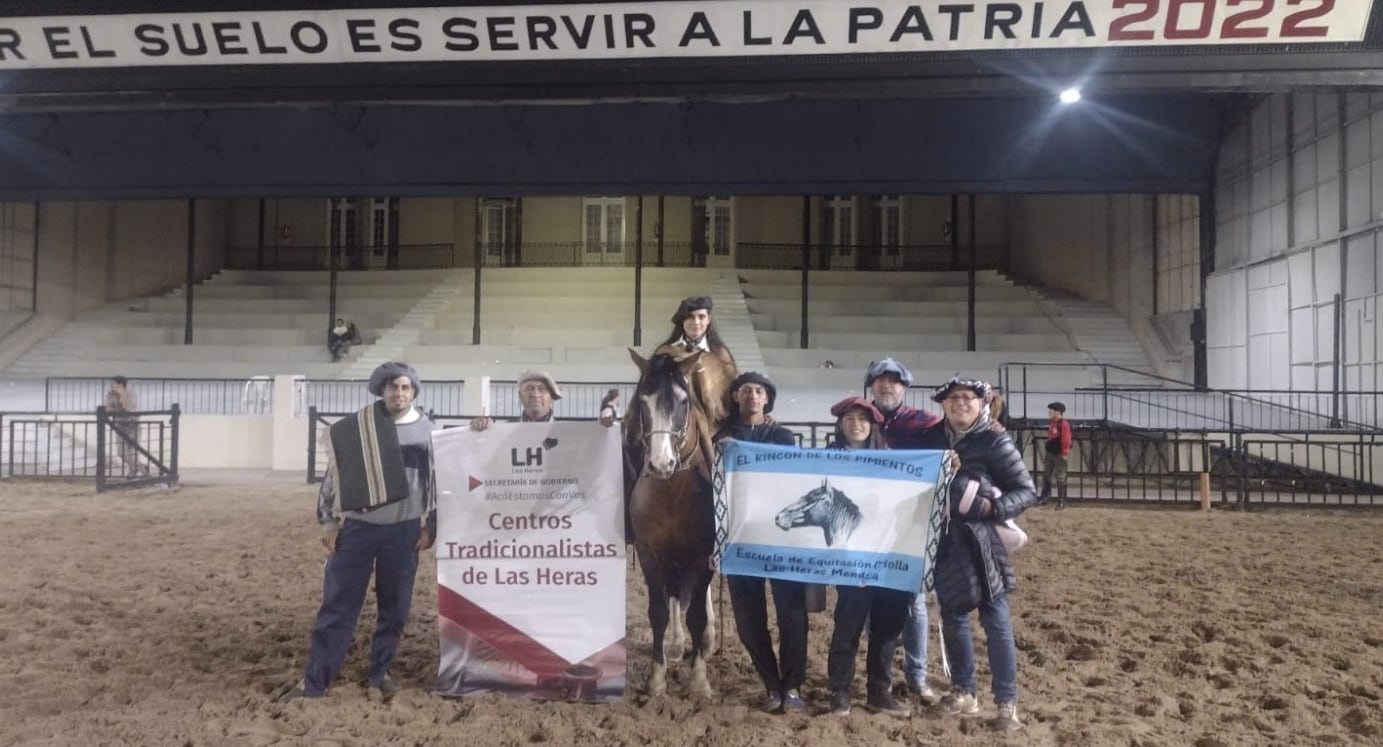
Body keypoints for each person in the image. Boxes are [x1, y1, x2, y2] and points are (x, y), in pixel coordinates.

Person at [277, 362, 437, 703]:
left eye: (406, 387)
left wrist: (432, 524)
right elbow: (333, 478)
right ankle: (315, 680)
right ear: (382, 390)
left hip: (404, 531)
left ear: (414, 392)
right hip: (358, 529)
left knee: (394, 607)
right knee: (337, 605)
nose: (399, 393)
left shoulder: (428, 433)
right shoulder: (357, 429)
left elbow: (437, 482)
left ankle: (380, 672)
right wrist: (329, 522)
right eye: (393, 387)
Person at [916, 375, 1038, 732]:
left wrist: (990, 509)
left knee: (996, 620)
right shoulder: (931, 438)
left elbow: (1026, 490)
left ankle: (1006, 701)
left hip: (984, 542)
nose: (960, 403)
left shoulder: (995, 442)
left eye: (968, 398)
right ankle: (964, 691)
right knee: (953, 618)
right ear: (943, 404)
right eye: (953, 398)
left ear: (982, 403)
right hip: (945, 540)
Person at [715, 372, 807, 713]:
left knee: (792, 614)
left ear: (767, 399)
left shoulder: (783, 436)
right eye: (746, 391)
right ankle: (771, 683)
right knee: (748, 619)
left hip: (781, 539)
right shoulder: (722, 436)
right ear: (737, 398)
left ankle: (793, 684)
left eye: (758, 391)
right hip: (740, 538)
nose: (752, 395)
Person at [823, 396, 911, 718]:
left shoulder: (892, 460)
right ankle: (840, 691)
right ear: (840, 424)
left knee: (887, 627)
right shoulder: (826, 460)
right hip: (851, 559)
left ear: (873, 424)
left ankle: (879, 691)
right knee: (848, 625)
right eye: (849, 418)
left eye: (862, 418)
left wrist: (946, 465)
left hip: (889, 555)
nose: (855, 424)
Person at [863, 357, 941, 705]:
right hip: (869, 525)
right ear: (872, 387)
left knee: (914, 601)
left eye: (894, 382)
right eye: (881, 381)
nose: (887, 387)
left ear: (904, 388)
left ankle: (917, 675)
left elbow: (955, 439)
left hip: (911, 522)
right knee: (872, 599)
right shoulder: (860, 421)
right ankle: (881, 675)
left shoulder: (925, 424)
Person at [471, 370, 617, 431]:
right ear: (520, 396)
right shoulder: (501, 431)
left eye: (542, 389)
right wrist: (481, 431)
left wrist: (602, 428)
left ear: (552, 397)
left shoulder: (568, 433)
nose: (535, 394)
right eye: (529, 389)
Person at [104, 376, 143, 476]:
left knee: (132, 451)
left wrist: (123, 396)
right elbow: (108, 408)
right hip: (120, 424)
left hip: (132, 424)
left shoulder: (131, 393)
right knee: (121, 452)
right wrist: (119, 410)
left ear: (121, 385)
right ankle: (142, 468)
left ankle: (133, 472)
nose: (112, 387)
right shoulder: (110, 394)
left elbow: (129, 408)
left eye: (115, 385)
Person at [1040, 401, 1073, 509]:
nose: (1049, 413)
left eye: (1051, 411)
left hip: (1059, 454)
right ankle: (1044, 497)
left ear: (1057, 412)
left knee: (1060, 477)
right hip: (1051, 453)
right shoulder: (1053, 424)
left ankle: (1061, 501)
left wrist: (1065, 452)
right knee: (1047, 475)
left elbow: (1066, 439)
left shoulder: (1063, 424)